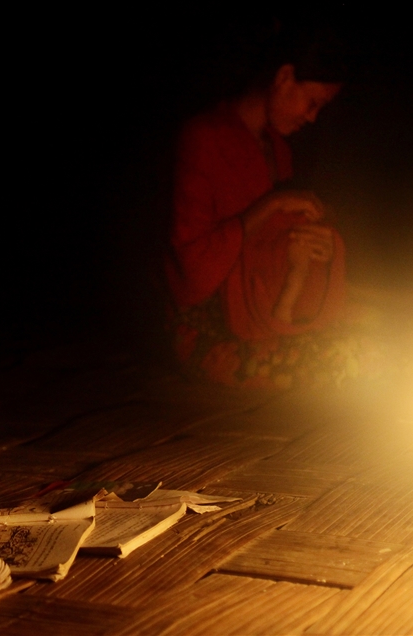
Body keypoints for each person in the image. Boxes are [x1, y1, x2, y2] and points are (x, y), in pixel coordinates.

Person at [166, 24, 354, 388]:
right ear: (284, 77)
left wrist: (320, 243)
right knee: (354, 364)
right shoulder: (203, 137)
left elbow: (273, 246)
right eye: (312, 102)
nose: (312, 117)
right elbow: (189, 266)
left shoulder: (277, 149)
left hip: (266, 311)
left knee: (378, 333)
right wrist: (272, 205)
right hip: (211, 321)